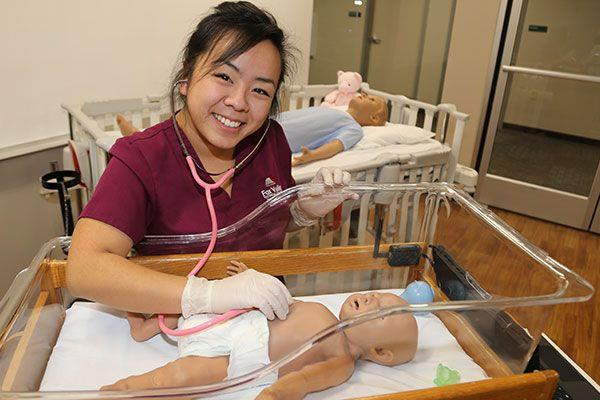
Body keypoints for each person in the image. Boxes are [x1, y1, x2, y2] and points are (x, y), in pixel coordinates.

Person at [67, 2, 354, 325]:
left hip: (266, 321)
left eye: (260, 90)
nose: (239, 102)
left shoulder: (269, 141)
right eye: (224, 76)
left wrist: (302, 211)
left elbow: (265, 227)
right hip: (179, 330)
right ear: (187, 76)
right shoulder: (141, 158)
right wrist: (208, 296)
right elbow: (84, 269)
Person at [102, 261, 419, 400]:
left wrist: (275, 394)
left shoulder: (342, 360)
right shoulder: (322, 311)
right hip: (236, 318)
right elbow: (279, 301)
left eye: (380, 311)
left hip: (240, 356)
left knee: (177, 380)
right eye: (377, 295)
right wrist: (256, 276)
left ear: (381, 352)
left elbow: (303, 381)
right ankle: (143, 328)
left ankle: (121, 391)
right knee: (187, 302)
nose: (371, 298)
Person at [116, 92, 389, 167]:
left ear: (375, 118)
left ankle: (141, 140)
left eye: (372, 99)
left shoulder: (354, 128)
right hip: (268, 123)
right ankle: (147, 137)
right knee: (203, 127)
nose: (364, 94)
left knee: (206, 143)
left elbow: (336, 147)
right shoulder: (336, 110)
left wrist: (312, 156)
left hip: (272, 137)